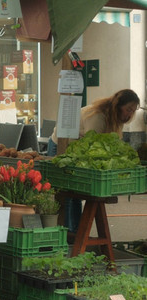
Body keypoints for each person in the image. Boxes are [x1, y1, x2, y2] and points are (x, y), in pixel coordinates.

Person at [47, 88, 141, 231]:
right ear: (118, 105)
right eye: (128, 109)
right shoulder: (98, 116)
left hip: (77, 149)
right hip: (61, 146)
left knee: (75, 194)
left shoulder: (116, 118)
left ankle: (74, 231)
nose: (130, 114)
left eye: (133, 111)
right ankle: (67, 231)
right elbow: (92, 144)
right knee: (66, 192)